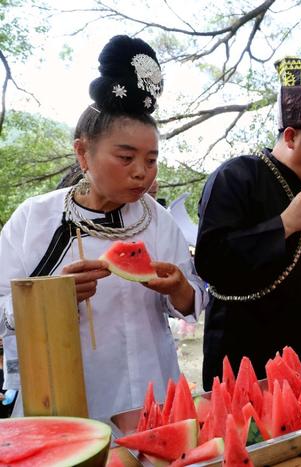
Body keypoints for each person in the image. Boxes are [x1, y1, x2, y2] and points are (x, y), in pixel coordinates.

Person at [0, 35, 206, 420]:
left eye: (151, 159)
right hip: (64, 397)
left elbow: (192, 302)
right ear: (83, 152)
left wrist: (179, 287)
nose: (142, 172)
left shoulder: (157, 220)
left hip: (151, 390)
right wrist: (50, 298)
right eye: (125, 157)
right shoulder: (34, 219)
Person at [196, 53, 301, 385]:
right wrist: (283, 224)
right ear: (292, 136)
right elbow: (211, 262)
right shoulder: (236, 176)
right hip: (246, 357)